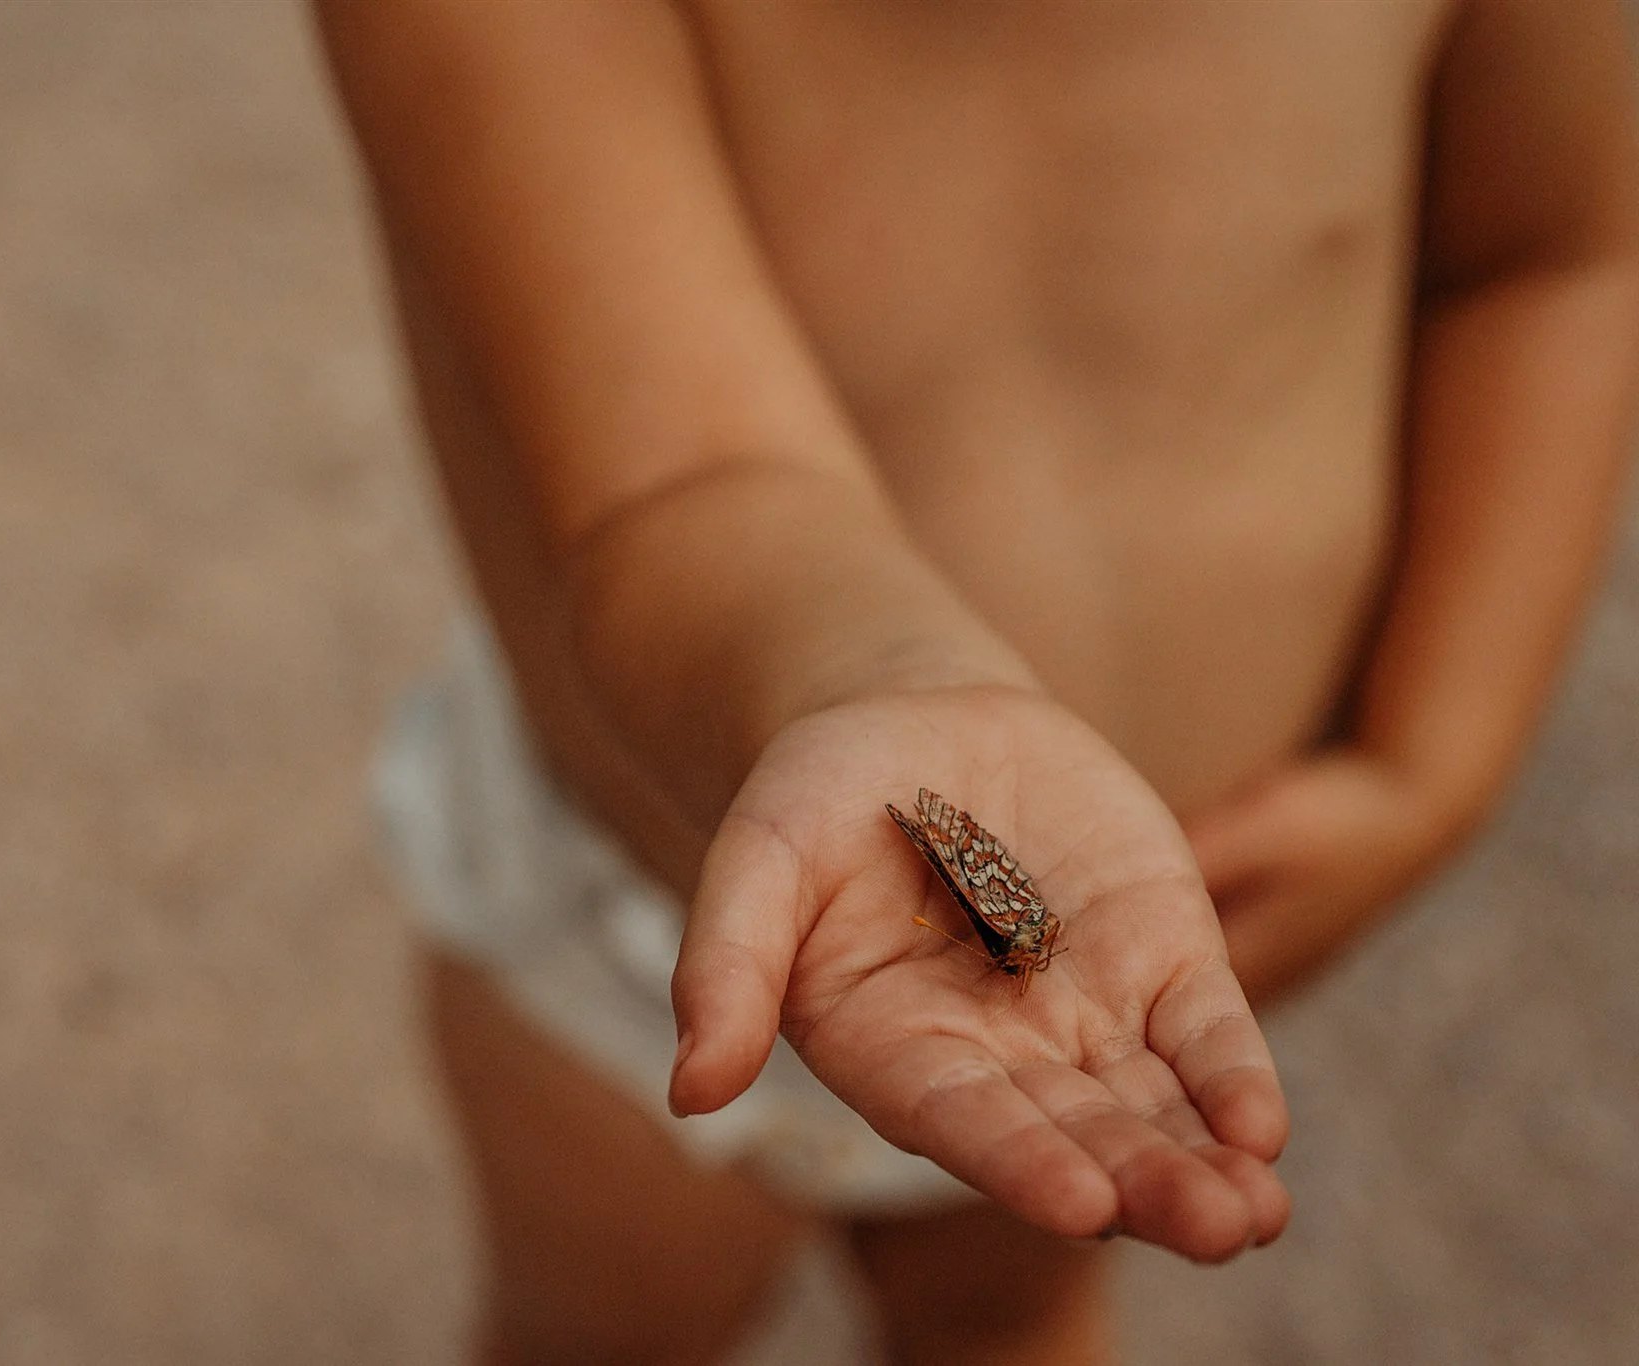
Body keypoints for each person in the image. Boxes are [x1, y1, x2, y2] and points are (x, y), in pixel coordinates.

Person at [318, 1, 1639, 1362]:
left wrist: (1435, 755)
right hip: (633, 939)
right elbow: (676, 483)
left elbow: (1544, 262)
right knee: (607, 1323)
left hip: (1110, 989)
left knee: (1007, 1307)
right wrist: (887, 679)